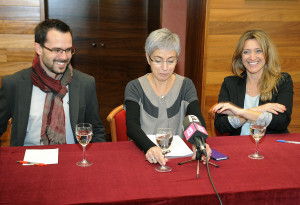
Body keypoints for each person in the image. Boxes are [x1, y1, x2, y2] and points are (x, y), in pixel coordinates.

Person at [0, 19, 106, 146]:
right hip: (28, 160)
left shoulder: (85, 83)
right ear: (39, 48)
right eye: (57, 50)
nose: (64, 57)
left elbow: (96, 130)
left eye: (68, 50)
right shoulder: (14, 84)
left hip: (72, 159)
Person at [124, 28, 211, 166]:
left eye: (171, 61)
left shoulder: (186, 85)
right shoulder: (135, 86)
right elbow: (132, 126)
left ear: (177, 58)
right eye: (158, 61)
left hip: (177, 158)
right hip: (144, 152)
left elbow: (196, 118)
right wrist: (150, 147)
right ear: (148, 58)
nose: (165, 68)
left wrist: (200, 142)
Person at [212, 29, 293, 136]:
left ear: (267, 54)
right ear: (241, 56)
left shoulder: (282, 81)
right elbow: (220, 125)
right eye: (246, 52)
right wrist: (260, 109)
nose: (252, 57)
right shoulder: (230, 83)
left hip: (270, 146)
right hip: (237, 146)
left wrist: (239, 112)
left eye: (258, 51)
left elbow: (281, 122)